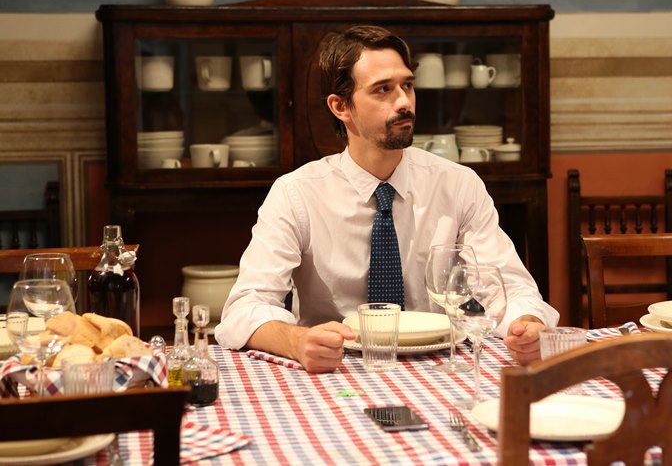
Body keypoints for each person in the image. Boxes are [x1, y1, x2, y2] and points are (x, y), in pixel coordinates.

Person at [215, 25, 559, 373]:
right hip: (336, 369)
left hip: (438, 366)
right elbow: (244, 308)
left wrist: (526, 325)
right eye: (383, 89)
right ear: (340, 106)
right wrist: (296, 341)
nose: (404, 102)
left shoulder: (457, 185)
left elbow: (511, 289)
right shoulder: (297, 194)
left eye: (407, 85)